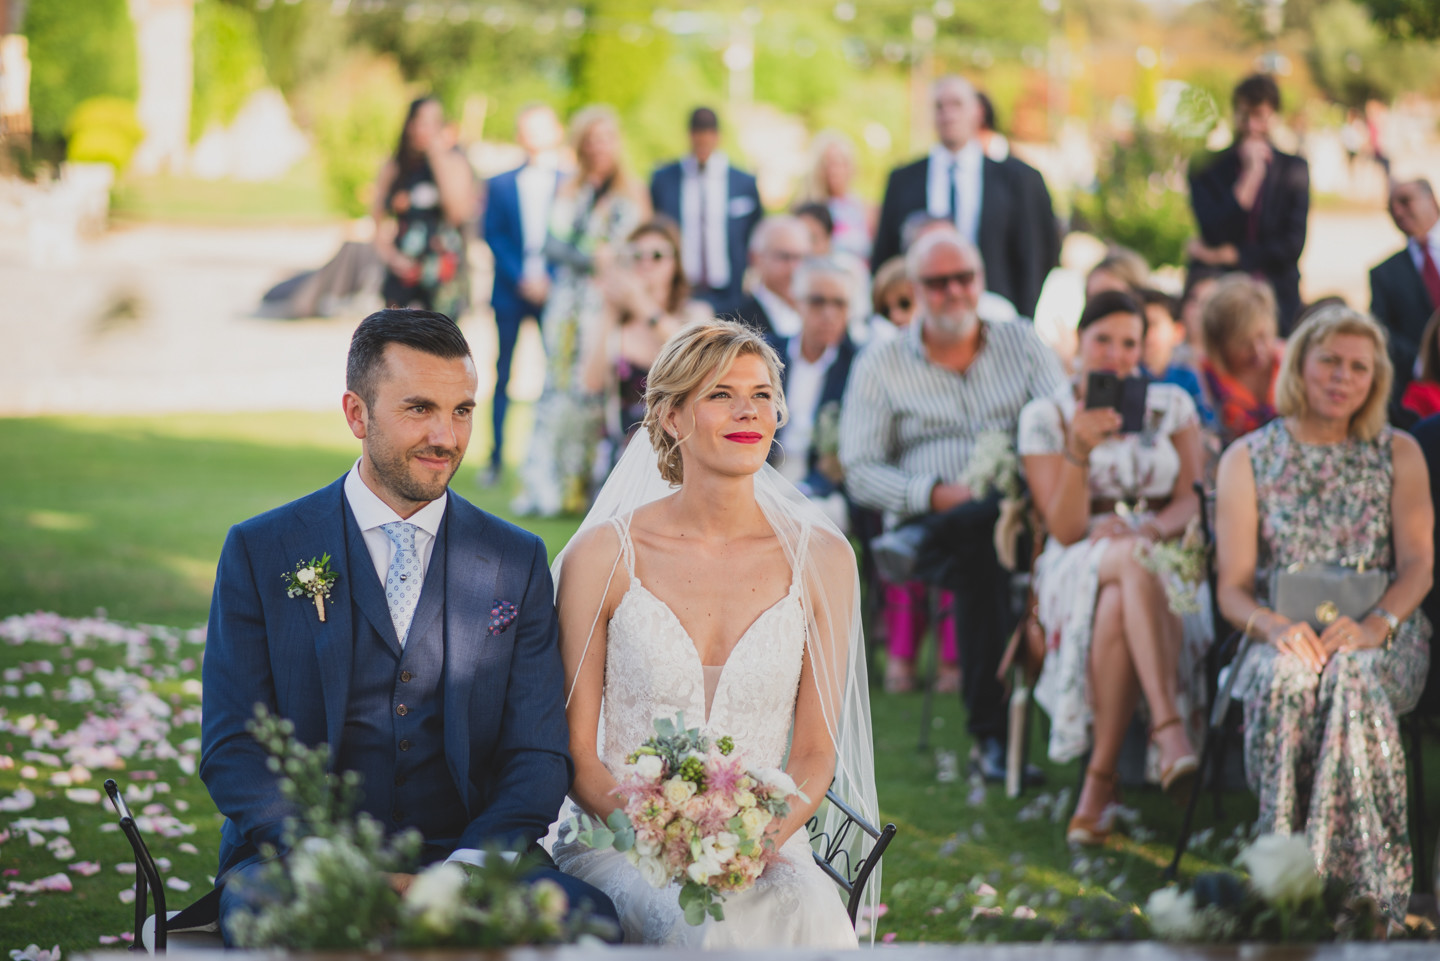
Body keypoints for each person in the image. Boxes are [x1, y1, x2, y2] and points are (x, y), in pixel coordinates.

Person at [200, 309, 619, 943]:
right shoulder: (263, 550)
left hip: (468, 855)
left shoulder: (517, 560)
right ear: (355, 414)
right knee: (278, 927)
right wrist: (327, 859)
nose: (446, 437)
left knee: (592, 926)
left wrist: (466, 871)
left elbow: (537, 753)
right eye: (419, 408)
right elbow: (232, 745)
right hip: (302, 858)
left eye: (462, 411)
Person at [550, 319, 878, 946]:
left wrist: (753, 846)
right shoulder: (605, 555)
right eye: (721, 394)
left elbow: (814, 755)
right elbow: (576, 752)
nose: (747, 411)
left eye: (761, 394)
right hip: (619, 841)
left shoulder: (825, 560)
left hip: (765, 845)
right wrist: (666, 844)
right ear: (672, 417)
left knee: (812, 917)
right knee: (711, 932)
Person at [1214, 305, 1432, 926]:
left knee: (1352, 677)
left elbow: (1419, 565)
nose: (1343, 377)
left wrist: (1374, 627)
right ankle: (1283, 873)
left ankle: (1365, 891)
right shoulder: (1247, 457)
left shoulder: (1399, 452)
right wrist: (1277, 629)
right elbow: (1231, 590)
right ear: (1299, 363)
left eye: (1359, 367)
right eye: (1329, 361)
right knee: (1291, 678)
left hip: (1385, 633)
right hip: (1278, 635)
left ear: (1376, 379)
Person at [840, 229, 1065, 780]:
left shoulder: (1024, 343)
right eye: (938, 283)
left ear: (981, 280)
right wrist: (935, 493)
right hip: (932, 520)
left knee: (984, 530)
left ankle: (992, 741)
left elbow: (1064, 423)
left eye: (964, 278)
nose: (954, 292)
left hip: (1028, 515)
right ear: (915, 289)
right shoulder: (881, 362)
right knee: (975, 540)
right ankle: (996, 738)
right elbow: (859, 469)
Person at [1017, 291, 1205, 844]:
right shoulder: (1046, 415)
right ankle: (1170, 731)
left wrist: (1147, 529)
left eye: (1130, 343)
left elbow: (1193, 498)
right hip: (1076, 560)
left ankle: (1099, 787)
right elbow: (1068, 530)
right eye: (1104, 340)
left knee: (1125, 591)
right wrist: (1077, 450)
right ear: (1080, 342)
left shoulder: (1171, 405)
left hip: (1161, 548)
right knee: (1121, 566)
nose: (1116, 355)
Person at [513, 105, 649, 518]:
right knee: (557, 388)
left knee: (594, 390)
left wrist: (612, 263)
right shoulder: (570, 189)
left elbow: (639, 248)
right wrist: (592, 257)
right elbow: (551, 244)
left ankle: (587, 484)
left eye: (606, 138)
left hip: (604, 303)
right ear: (581, 145)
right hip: (567, 303)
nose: (599, 147)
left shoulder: (632, 192)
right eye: (592, 140)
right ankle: (547, 484)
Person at [872, 75, 1058, 319]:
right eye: (939, 106)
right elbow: (884, 255)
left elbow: (1039, 253)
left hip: (996, 318)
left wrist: (1022, 318)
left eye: (957, 104)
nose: (948, 114)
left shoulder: (1017, 181)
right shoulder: (903, 180)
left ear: (977, 111)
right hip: (922, 319)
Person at [579, 217, 712, 466]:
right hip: (624, 455)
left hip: (683, 452)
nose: (646, 263)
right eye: (637, 256)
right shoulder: (614, 323)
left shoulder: (695, 315)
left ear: (676, 264)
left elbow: (699, 358)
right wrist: (610, 310)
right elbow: (591, 383)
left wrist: (642, 304)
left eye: (657, 255)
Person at [481, 103, 565, 486]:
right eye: (527, 128)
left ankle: (552, 458)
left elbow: (571, 239)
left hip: (555, 292)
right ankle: (495, 459)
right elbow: (493, 235)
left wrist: (548, 278)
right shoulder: (498, 183)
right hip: (510, 292)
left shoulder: (569, 182)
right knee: (503, 375)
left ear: (556, 131)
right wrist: (521, 277)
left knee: (558, 376)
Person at [1187, 74, 1309, 334]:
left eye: (1261, 117)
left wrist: (1236, 255)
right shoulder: (1207, 170)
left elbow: (1292, 244)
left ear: (1274, 117)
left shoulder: (1294, 170)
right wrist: (1250, 180)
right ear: (1234, 115)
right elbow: (1212, 230)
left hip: (1276, 292)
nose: (1252, 127)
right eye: (1245, 117)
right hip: (1220, 289)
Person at [649, 107, 763, 317]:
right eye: (698, 136)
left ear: (718, 137)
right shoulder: (664, 179)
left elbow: (756, 232)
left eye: (708, 136)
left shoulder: (742, 182)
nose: (703, 143)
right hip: (682, 289)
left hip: (730, 291)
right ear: (690, 136)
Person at [371, 98, 476, 320]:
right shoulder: (394, 167)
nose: (426, 130)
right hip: (402, 273)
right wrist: (392, 258)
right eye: (421, 122)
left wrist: (436, 157)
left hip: (442, 276)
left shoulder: (455, 163)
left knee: (440, 348)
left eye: (434, 123)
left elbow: (457, 214)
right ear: (409, 126)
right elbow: (377, 222)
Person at [771, 256, 858, 509]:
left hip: (822, 490)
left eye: (839, 304)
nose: (829, 314)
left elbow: (846, 458)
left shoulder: (859, 366)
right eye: (817, 302)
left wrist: (803, 490)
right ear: (796, 302)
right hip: (763, 472)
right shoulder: (767, 353)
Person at [1370, 179, 1440, 413]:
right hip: (1419, 398)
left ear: (1431, 200)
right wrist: (1425, 362)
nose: (1398, 211)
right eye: (1391, 208)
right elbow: (1382, 331)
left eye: (1405, 201)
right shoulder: (1384, 273)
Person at [1199, 273, 1283, 446]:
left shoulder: (1289, 363)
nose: (1257, 351)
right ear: (1219, 342)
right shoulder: (1203, 376)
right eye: (1244, 343)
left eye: (1263, 337)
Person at [798, 130, 875, 266]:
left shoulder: (865, 210)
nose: (835, 170)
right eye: (829, 164)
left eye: (841, 163)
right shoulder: (807, 212)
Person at [733, 215, 813, 340]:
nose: (795, 268)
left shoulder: (818, 310)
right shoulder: (734, 320)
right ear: (756, 258)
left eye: (801, 258)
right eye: (784, 257)